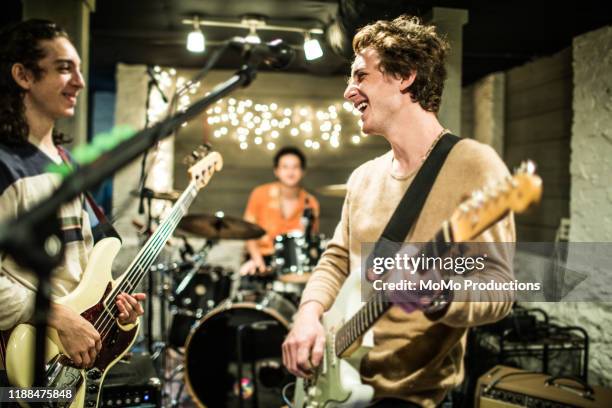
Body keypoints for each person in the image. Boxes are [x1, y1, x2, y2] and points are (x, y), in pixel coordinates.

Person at [282, 15, 515, 407]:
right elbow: (338, 259)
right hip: (342, 380)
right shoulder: (363, 178)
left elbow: (500, 288)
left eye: (360, 76)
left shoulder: (475, 165)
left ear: (404, 76)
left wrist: (438, 293)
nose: (348, 92)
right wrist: (307, 315)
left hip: (414, 396)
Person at [0, 19, 145, 378]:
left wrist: (111, 305)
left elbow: (77, 269)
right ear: (23, 75)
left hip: (63, 363)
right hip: (14, 363)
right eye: (65, 68)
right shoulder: (5, 164)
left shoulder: (67, 164)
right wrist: (59, 315)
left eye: (79, 69)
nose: (79, 81)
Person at [240, 146, 320, 276]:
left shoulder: (311, 202)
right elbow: (247, 231)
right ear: (276, 171)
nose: (290, 172)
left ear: (303, 171)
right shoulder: (260, 193)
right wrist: (258, 260)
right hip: (261, 258)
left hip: (294, 264)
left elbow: (311, 240)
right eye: (285, 167)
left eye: (295, 167)